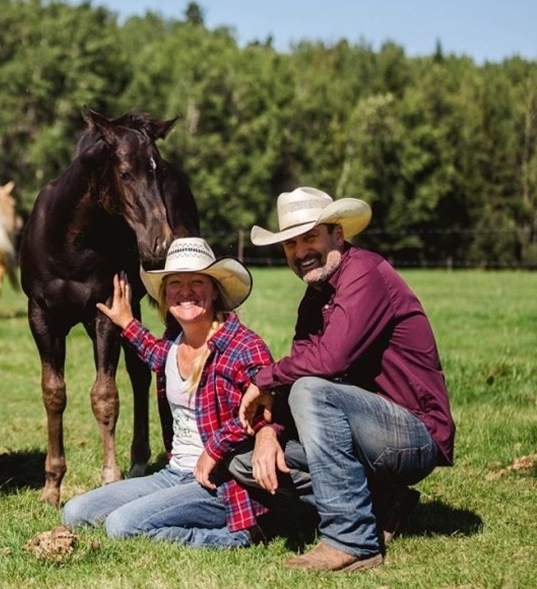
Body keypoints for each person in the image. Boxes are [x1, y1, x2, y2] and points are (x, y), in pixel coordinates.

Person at [230, 186, 456, 571]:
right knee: (247, 464)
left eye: (310, 237)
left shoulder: (365, 273)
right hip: (367, 434)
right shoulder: (314, 298)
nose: (300, 252)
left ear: (338, 234)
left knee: (311, 390)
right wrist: (271, 431)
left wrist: (263, 379)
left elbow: (331, 360)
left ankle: (351, 539)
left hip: (414, 433)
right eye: (290, 244)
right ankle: (385, 503)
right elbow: (302, 365)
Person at [61, 237, 274, 548]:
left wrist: (215, 447)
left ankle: (235, 535)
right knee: (76, 512)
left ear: (214, 290)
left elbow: (265, 411)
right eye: (175, 282)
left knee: (122, 526)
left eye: (197, 281)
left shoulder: (244, 346)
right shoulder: (175, 342)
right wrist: (126, 321)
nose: (185, 291)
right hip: (173, 473)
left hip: (219, 482)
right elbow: (157, 355)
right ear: (165, 295)